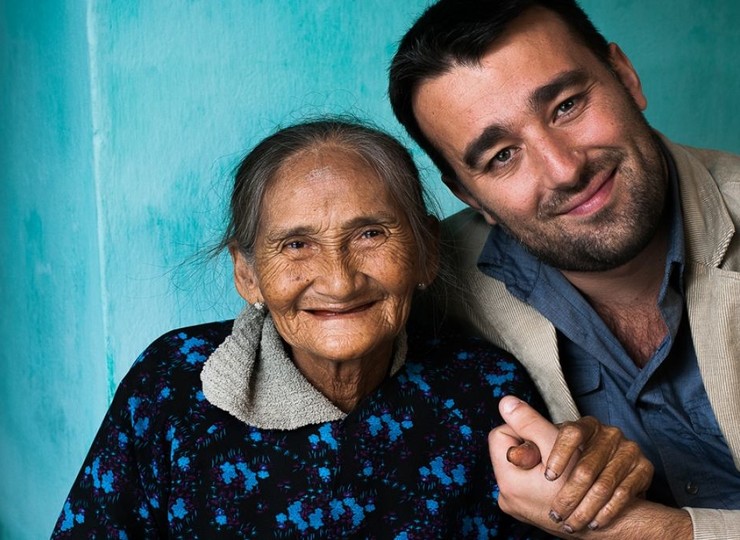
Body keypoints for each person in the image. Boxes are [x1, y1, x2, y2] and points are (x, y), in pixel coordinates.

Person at [50, 119, 650, 538]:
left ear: (425, 255)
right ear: (248, 275)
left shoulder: (482, 386)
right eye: (296, 244)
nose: (338, 281)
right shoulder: (175, 382)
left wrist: (593, 487)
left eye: (370, 234)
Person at [388, 0, 740, 538]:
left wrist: (648, 529)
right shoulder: (438, 276)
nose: (565, 169)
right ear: (466, 194)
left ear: (626, 78)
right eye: (501, 156)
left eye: (567, 105)